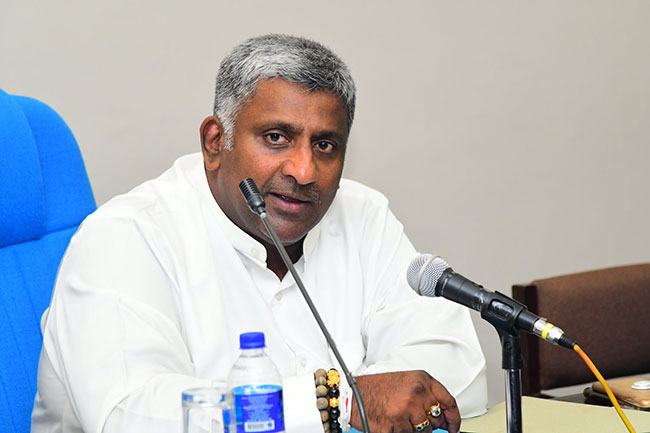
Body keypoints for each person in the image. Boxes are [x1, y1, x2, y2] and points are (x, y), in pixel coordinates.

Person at [31, 34, 487, 433]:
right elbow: (131, 415)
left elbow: (456, 368)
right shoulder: (124, 238)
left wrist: (381, 397)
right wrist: (340, 404)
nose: (304, 171)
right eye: (276, 137)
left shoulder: (362, 215)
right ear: (215, 142)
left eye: (325, 145)